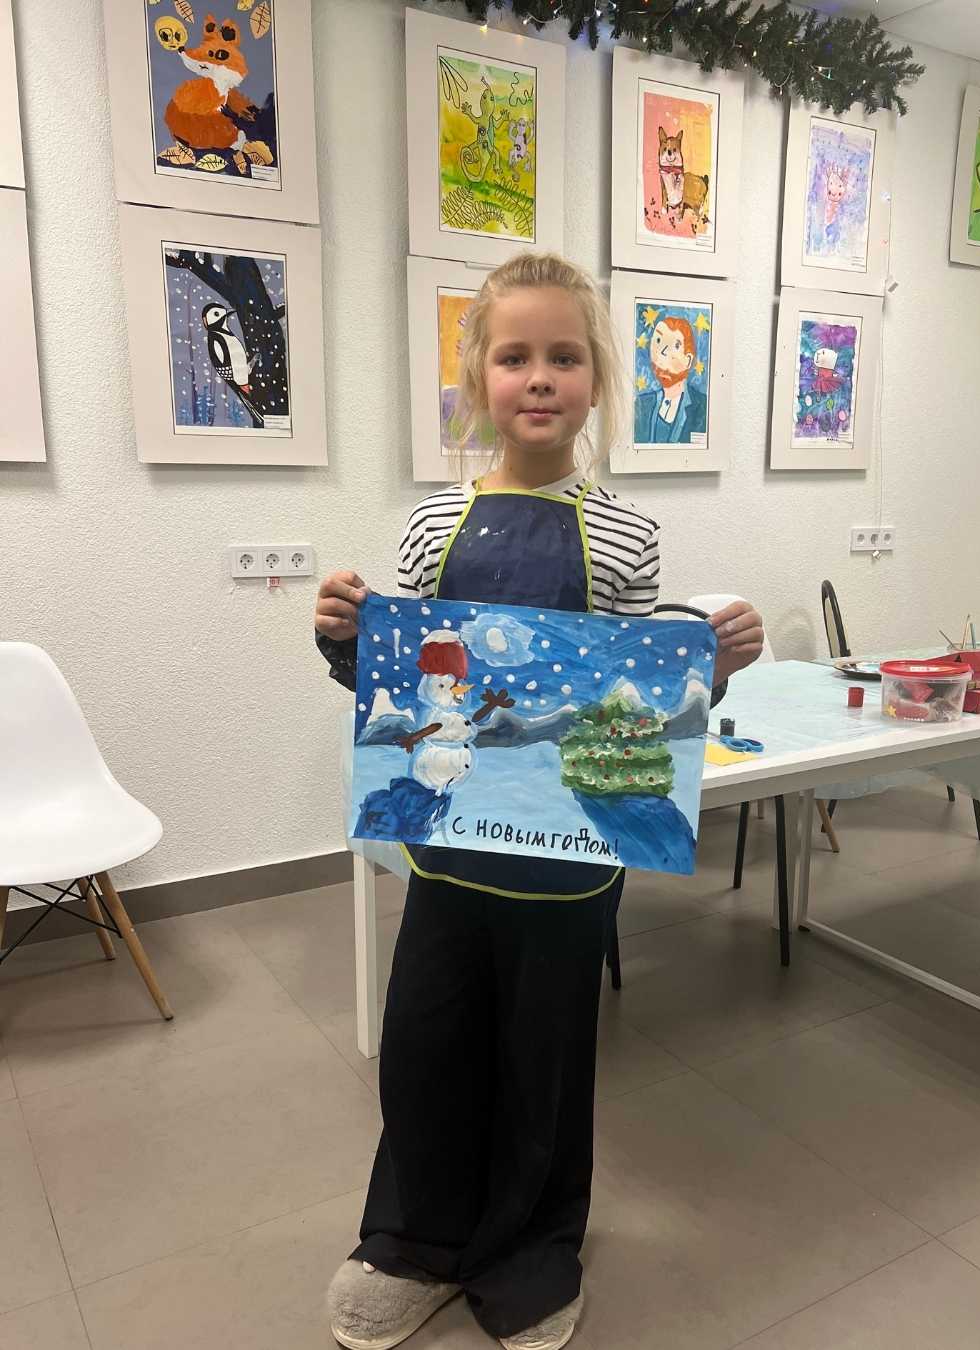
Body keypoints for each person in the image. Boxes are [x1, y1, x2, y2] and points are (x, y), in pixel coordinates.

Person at [314, 253, 764, 1350]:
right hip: (447, 841)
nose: (540, 377)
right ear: (480, 379)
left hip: (571, 857)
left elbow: (635, 701)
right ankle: (413, 1239)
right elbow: (413, 680)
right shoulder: (430, 526)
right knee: (427, 1041)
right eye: (514, 357)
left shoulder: (627, 536)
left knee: (545, 1058)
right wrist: (342, 643)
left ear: (597, 381)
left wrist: (712, 670)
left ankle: (529, 1247)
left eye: (565, 356)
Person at [633, 313, 706, 445]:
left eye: (676, 346)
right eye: (658, 341)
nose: (663, 351)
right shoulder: (641, 405)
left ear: (688, 360)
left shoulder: (702, 407)